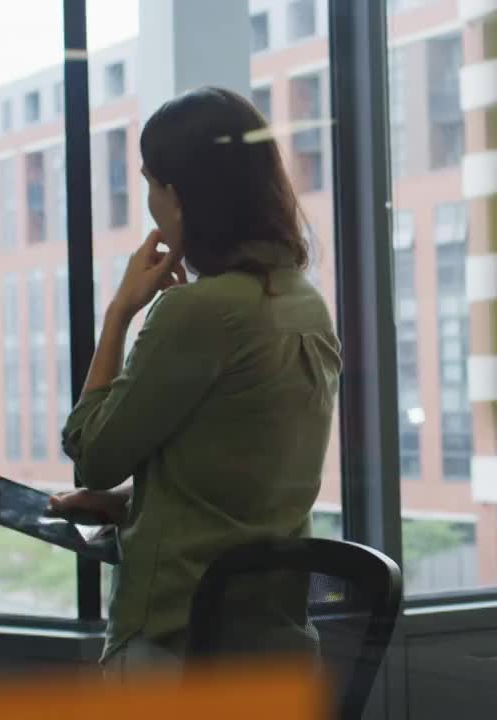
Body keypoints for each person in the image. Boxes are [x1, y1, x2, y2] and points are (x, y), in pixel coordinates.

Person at [49, 86, 342, 675]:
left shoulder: (199, 312)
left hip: (178, 653)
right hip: (274, 655)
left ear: (178, 195)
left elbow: (92, 454)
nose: (151, 203)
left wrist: (119, 314)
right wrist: (131, 502)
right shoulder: (302, 302)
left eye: (150, 183)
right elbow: (248, 483)